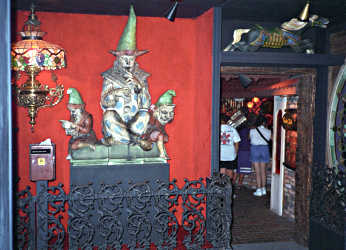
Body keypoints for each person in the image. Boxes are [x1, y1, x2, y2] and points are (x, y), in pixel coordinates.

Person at [100, 5, 151, 150]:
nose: (128, 62)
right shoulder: (110, 76)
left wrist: (139, 87)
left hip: (135, 121)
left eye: (131, 59)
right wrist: (116, 93)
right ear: (118, 58)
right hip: (117, 118)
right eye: (124, 59)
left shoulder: (141, 76)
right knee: (108, 116)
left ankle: (127, 138)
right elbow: (104, 103)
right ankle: (135, 141)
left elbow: (146, 105)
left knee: (145, 116)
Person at [60, 88, 97, 159]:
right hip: (77, 136)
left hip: (87, 136)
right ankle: (72, 154)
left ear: (80, 108)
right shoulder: (74, 116)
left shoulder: (87, 116)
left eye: (75, 110)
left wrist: (75, 126)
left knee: (74, 145)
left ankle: (88, 144)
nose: (73, 112)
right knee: (71, 144)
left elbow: (86, 130)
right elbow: (72, 125)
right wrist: (68, 127)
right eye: (72, 111)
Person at [249, 116, 272, 196]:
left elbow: (249, 138)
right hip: (264, 149)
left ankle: (259, 189)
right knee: (263, 171)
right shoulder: (268, 131)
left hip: (255, 149)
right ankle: (263, 189)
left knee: (258, 172)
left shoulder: (252, 131)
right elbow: (271, 139)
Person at [220, 116, 241, 184]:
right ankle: (229, 190)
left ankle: (222, 190)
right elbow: (237, 143)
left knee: (221, 173)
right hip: (231, 155)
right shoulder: (232, 129)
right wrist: (236, 153)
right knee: (230, 174)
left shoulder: (216, 128)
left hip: (220, 155)